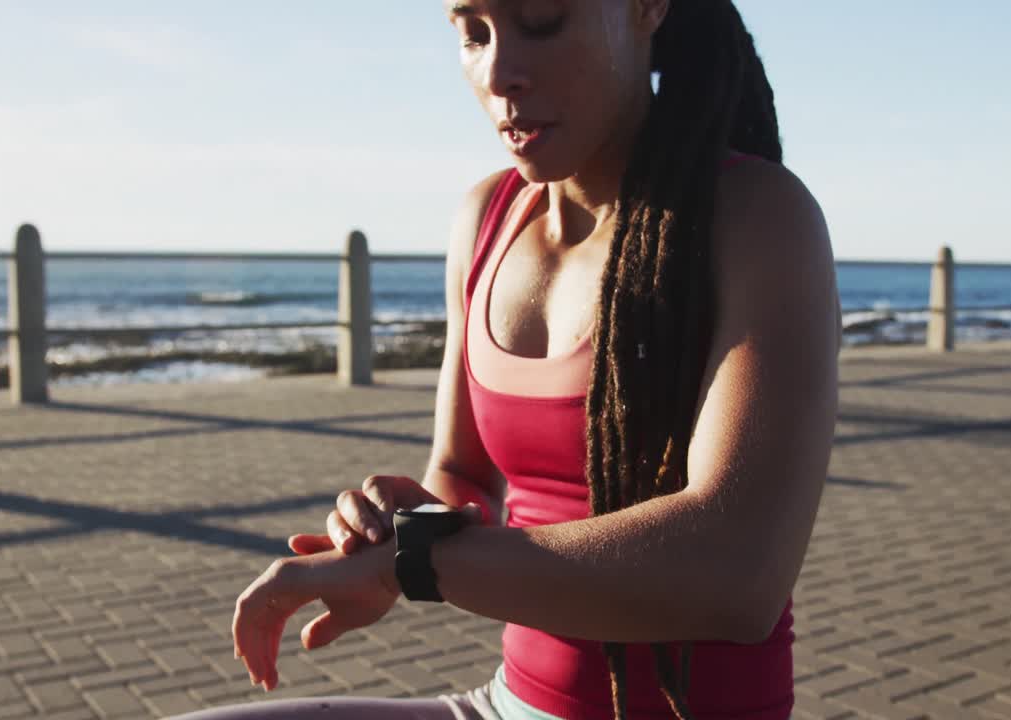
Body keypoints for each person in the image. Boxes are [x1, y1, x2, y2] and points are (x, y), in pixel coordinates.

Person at [170, 0, 837, 718]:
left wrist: (417, 559)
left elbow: (737, 575)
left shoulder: (757, 218)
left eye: (543, 20)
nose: (500, 73)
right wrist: (395, 528)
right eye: (472, 32)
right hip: (504, 704)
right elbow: (460, 479)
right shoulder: (488, 217)